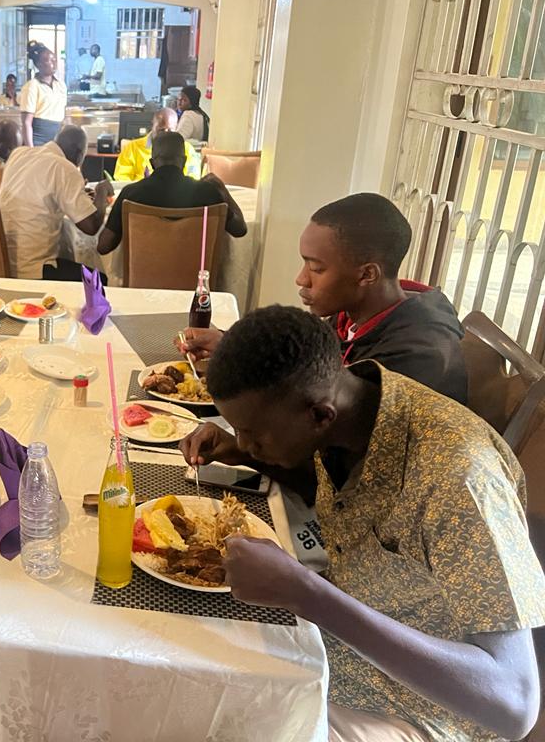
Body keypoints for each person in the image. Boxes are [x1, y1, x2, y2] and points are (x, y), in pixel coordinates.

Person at [180, 305, 545, 742]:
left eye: (253, 432)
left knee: (205, 715)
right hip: (335, 643)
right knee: (181, 659)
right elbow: (345, 493)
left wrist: (304, 592)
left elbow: (514, 703)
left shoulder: (459, 476)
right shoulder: (351, 406)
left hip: (422, 712)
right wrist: (246, 454)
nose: (245, 442)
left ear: (319, 415)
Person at [179, 193, 467, 404]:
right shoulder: (353, 313)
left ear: (367, 275)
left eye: (316, 268)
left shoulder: (412, 361)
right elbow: (304, 362)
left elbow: (330, 429)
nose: (301, 279)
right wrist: (229, 345)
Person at [98, 131, 247, 255]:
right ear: (184, 161)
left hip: (144, 282)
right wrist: (222, 189)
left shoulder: (131, 194)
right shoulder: (208, 192)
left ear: (152, 163)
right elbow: (240, 229)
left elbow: (104, 247)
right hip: (195, 284)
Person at [0, 125, 113, 280]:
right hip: (34, 269)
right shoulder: (64, 167)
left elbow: (36, 191)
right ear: (79, 154)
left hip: (1, 261)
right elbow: (91, 226)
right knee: (100, 280)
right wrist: (101, 193)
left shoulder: (18, 154)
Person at [113, 108, 200, 182]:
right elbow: (121, 178)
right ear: (153, 125)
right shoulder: (132, 147)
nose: (165, 134)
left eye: (170, 130)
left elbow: (193, 177)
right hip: (140, 197)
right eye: (161, 130)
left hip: (176, 196)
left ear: (176, 128)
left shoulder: (187, 149)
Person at [19, 42, 67, 146]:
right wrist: (30, 149)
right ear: (39, 64)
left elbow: (63, 116)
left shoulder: (61, 85)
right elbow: (27, 123)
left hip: (56, 139)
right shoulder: (31, 86)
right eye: (49, 60)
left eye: (54, 59)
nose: (54, 63)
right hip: (38, 139)